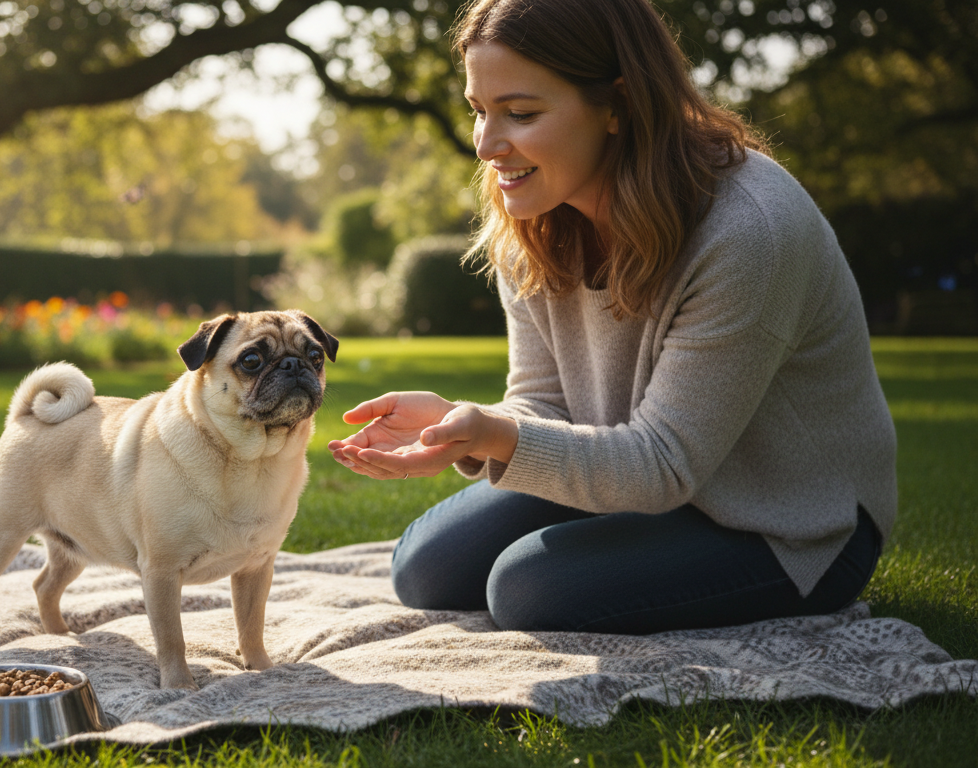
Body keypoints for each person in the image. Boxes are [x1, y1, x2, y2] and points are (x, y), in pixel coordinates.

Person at [327, 0, 896, 635]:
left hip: (792, 522)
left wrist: (497, 438)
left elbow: (664, 463)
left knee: (527, 587)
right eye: (479, 111)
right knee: (425, 568)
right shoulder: (530, 214)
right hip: (643, 482)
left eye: (521, 113)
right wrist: (462, 426)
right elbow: (544, 404)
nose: (486, 145)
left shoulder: (749, 231)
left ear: (618, 104)